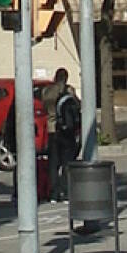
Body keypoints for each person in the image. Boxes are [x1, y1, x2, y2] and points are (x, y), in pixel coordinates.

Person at [49, 67, 83, 195]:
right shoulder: (69, 91)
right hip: (66, 130)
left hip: (51, 129)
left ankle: (54, 190)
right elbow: (77, 105)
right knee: (67, 161)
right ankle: (65, 189)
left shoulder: (47, 91)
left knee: (53, 163)